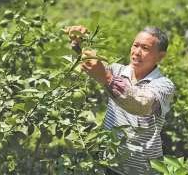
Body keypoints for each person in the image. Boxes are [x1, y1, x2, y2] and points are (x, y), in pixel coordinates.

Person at [66, 26, 175, 175]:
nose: (137, 52)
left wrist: (107, 78)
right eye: (135, 45)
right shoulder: (117, 70)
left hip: (141, 170)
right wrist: (78, 43)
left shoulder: (163, 85)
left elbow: (141, 104)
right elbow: (90, 64)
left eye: (145, 48)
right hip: (108, 163)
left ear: (160, 56)